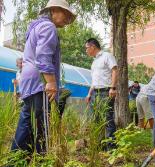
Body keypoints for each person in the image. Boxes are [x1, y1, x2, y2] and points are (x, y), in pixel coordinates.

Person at [11, 0, 76, 154]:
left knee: (26, 126)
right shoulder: (48, 27)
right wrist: (52, 83)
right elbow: (43, 57)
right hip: (40, 82)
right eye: (66, 15)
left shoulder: (36, 26)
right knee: (41, 129)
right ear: (54, 10)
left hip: (29, 83)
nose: (67, 20)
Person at [84, 38, 118, 151]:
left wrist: (113, 88)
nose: (86, 51)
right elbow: (94, 81)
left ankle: (111, 147)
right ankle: (100, 146)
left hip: (106, 91)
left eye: (86, 48)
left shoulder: (107, 56)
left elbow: (114, 70)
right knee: (97, 119)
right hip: (95, 93)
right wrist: (89, 94)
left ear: (92, 46)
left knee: (107, 118)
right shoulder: (94, 62)